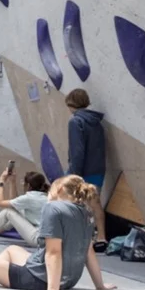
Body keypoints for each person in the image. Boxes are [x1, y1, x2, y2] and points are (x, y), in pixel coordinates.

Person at [0, 175, 116, 290]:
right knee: (12, 250)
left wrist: (52, 289)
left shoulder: (53, 208)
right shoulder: (86, 213)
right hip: (68, 280)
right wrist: (99, 285)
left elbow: (53, 252)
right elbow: (88, 252)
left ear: (59, 189)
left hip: (36, 279)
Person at [65, 88, 108, 251]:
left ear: (70, 103)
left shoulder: (75, 122)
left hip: (81, 170)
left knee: (72, 204)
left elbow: (77, 150)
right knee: (95, 203)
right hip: (98, 168)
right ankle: (101, 237)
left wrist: (75, 174)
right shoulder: (97, 122)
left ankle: (78, 238)